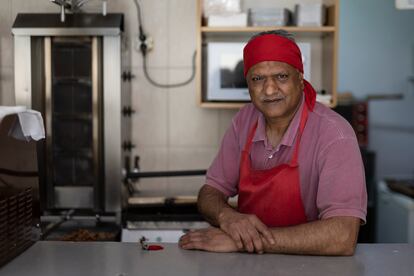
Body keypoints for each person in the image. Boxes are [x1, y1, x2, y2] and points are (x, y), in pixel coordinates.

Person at [179, 30, 367, 256]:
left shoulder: (334, 135)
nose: (269, 90)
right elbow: (211, 192)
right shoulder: (244, 121)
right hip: (251, 266)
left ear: (300, 78)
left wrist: (247, 241)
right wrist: (227, 217)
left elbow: (343, 236)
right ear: (248, 84)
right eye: (258, 79)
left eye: (281, 76)